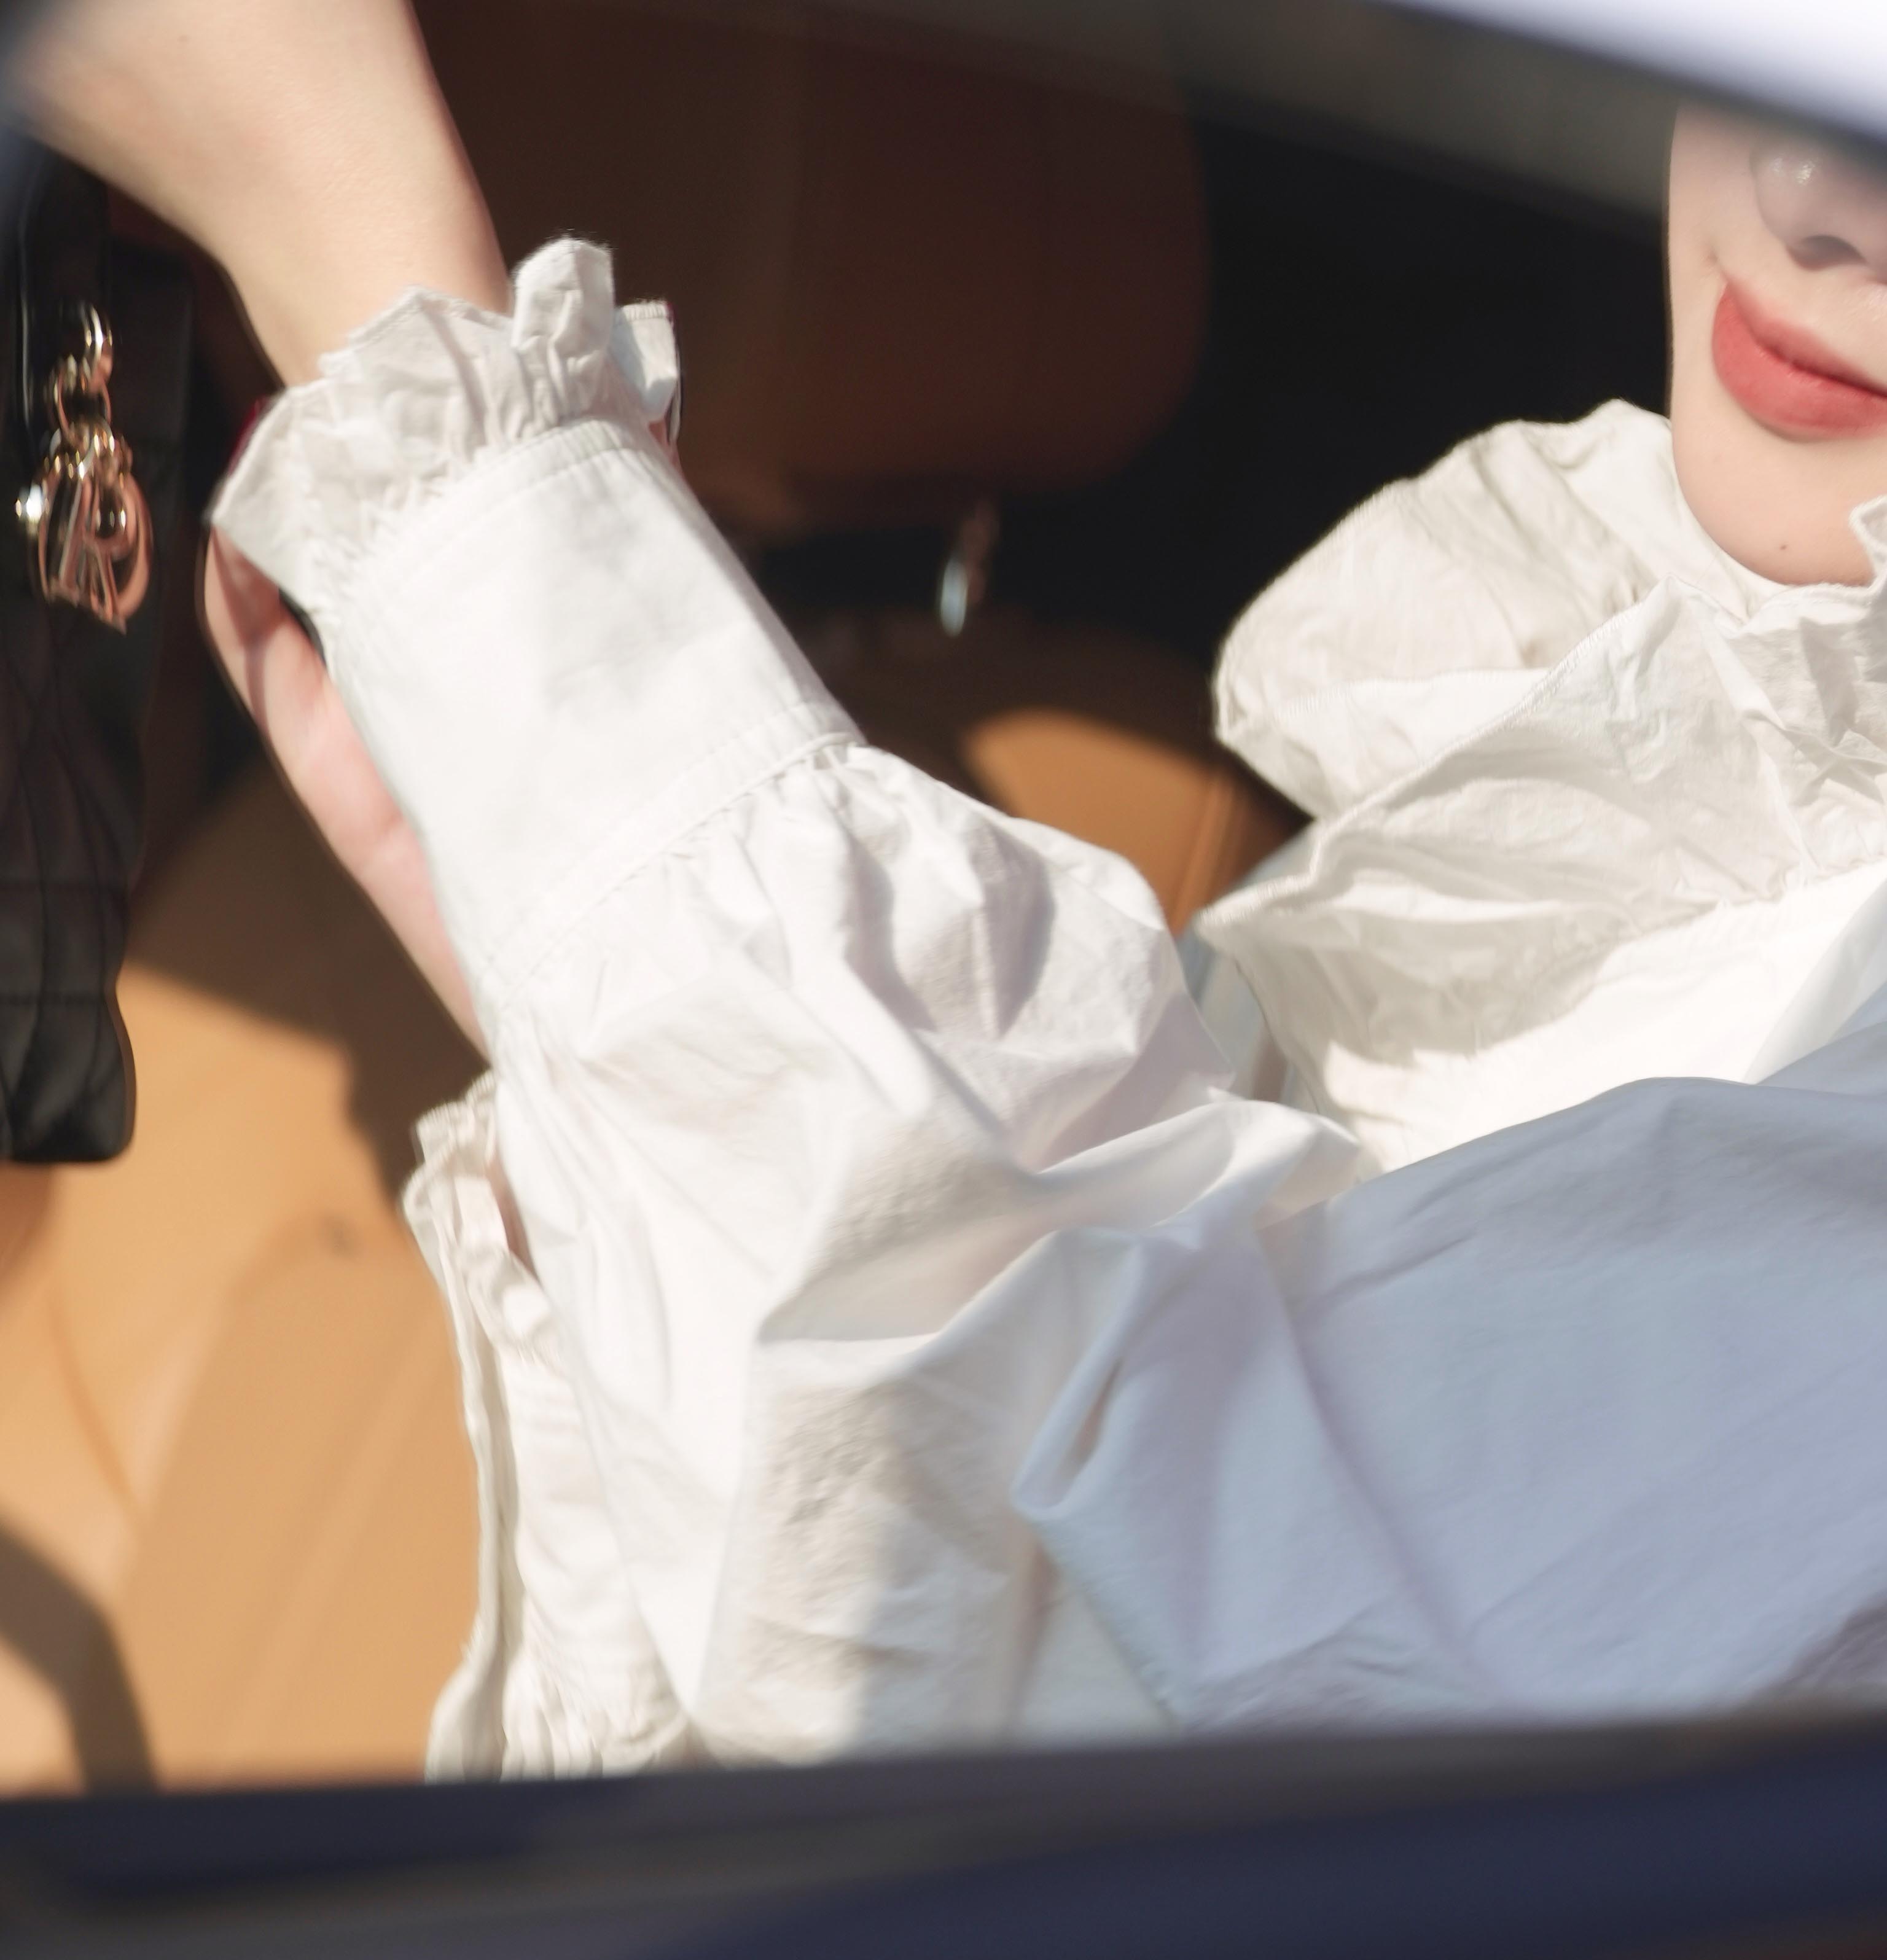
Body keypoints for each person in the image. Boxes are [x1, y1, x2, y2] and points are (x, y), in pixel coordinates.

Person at [20, 0, 1887, 1771]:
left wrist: (345, 224)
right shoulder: (1630, 808)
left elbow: (1073, 1713)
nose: (1811, 186)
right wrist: (581, 994)